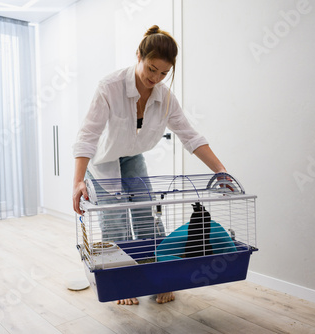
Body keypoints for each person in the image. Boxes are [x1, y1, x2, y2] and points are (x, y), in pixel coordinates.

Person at [72, 25, 227, 305]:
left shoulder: (165, 98)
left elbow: (190, 136)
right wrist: (78, 181)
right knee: (115, 220)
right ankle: (122, 282)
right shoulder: (109, 87)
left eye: (164, 73)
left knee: (146, 216)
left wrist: (221, 170)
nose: (156, 78)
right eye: (151, 69)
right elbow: (87, 136)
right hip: (103, 160)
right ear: (139, 57)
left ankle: (160, 277)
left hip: (133, 157)